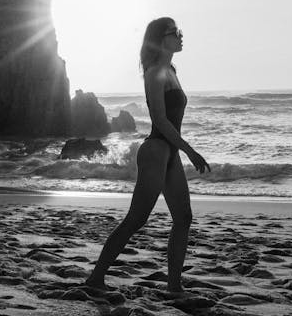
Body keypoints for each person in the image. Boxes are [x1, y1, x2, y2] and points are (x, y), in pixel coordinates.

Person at [85, 17, 210, 293]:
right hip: (155, 150)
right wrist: (190, 150)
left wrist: (181, 150)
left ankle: (174, 287)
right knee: (137, 219)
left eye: (180, 30)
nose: (180, 35)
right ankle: (96, 277)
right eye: (175, 32)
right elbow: (161, 121)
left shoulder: (171, 70)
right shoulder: (155, 72)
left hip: (170, 153)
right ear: (160, 38)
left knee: (184, 218)